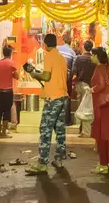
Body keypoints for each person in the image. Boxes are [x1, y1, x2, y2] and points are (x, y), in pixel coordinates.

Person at [25, 33, 69, 175]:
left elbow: (47, 76)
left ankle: (42, 163)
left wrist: (35, 74)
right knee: (60, 129)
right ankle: (59, 158)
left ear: (45, 45)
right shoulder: (61, 58)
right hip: (63, 97)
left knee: (45, 129)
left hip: (53, 98)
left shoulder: (49, 56)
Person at [90, 47, 109, 174]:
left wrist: (92, 90)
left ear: (97, 56)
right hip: (105, 104)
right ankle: (105, 161)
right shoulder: (105, 67)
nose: (91, 57)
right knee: (104, 134)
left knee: (101, 135)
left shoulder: (99, 68)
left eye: (92, 55)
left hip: (99, 104)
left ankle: (103, 164)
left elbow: (101, 85)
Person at [0, 45, 19, 139]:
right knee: (7, 111)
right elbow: (17, 76)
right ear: (10, 53)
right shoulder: (11, 63)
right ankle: (4, 132)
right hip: (8, 91)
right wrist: (11, 74)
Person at [73, 40, 97, 137]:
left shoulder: (78, 59)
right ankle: (88, 130)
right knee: (89, 108)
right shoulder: (94, 59)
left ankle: (82, 129)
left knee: (81, 107)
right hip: (91, 86)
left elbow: (74, 72)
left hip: (81, 84)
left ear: (83, 47)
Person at [58, 33, 76, 126]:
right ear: (70, 42)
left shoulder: (57, 48)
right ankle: (66, 121)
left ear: (63, 41)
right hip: (66, 76)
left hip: (56, 76)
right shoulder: (72, 53)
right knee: (67, 97)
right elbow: (74, 68)